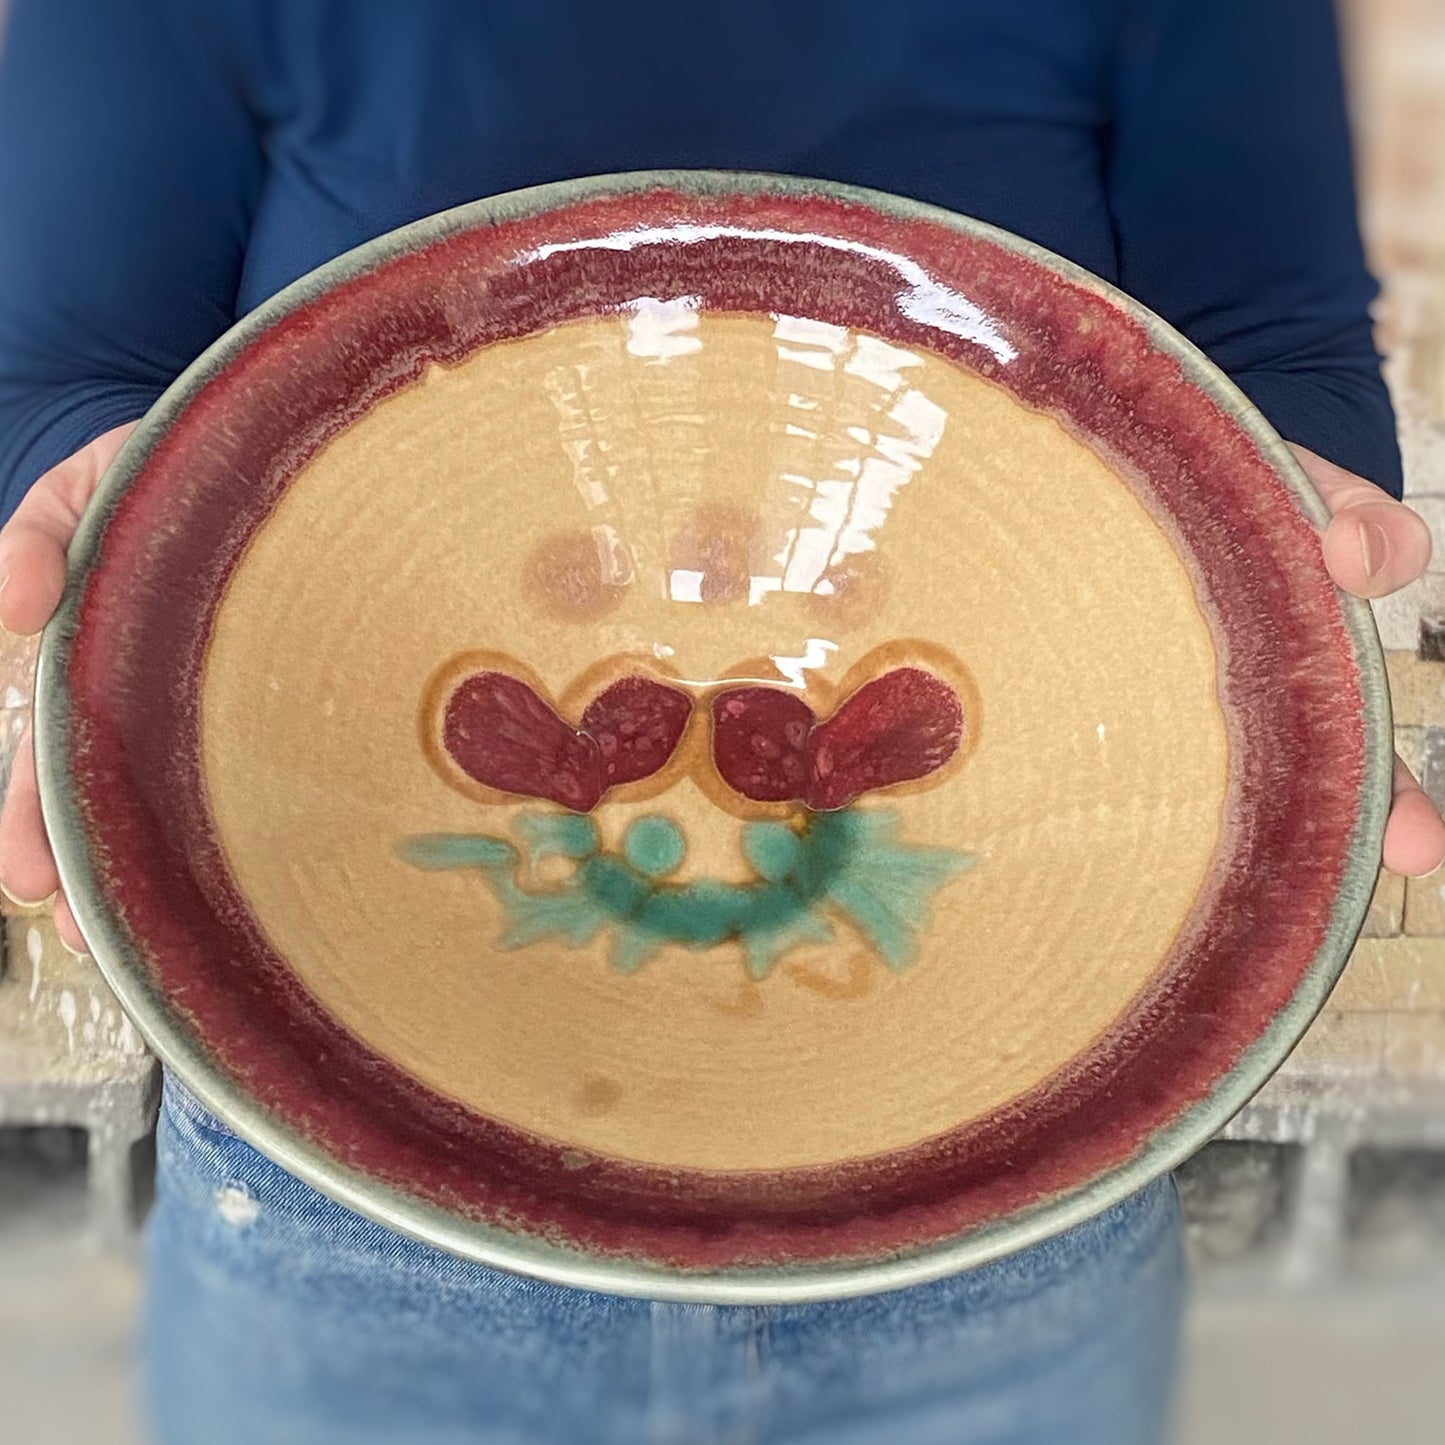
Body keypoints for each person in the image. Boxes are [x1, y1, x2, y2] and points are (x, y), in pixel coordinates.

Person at [0, 3, 1440, 1442]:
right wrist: (111, 564)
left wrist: (1275, 602)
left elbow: (1265, 338)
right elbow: (66, 360)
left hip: (1002, 1189)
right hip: (347, 1192)